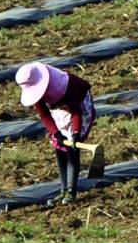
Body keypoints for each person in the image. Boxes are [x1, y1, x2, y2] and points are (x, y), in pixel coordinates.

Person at [16, 61, 96, 205]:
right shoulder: (36, 90)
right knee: (59, 146)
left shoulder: (65, 84)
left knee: (72, 148)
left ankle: (71, 192)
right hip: (59, 108)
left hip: (78, 103)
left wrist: (76, 133)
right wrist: (56, 133)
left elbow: (75, 111)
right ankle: (63, 190)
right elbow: (44, 115)